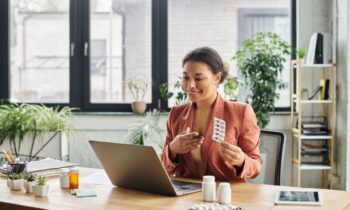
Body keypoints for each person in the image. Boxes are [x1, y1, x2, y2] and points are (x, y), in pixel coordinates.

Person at [160, 47, 261, 182]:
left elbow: (256, 166)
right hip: (186, 195)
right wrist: (172, 149)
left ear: (217, 78)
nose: (190, 86)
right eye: (186, 77)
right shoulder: (176, 114)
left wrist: (242, 160)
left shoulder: (241, 112)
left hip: (226, 194)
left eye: (198, 78)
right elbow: (163, 167)